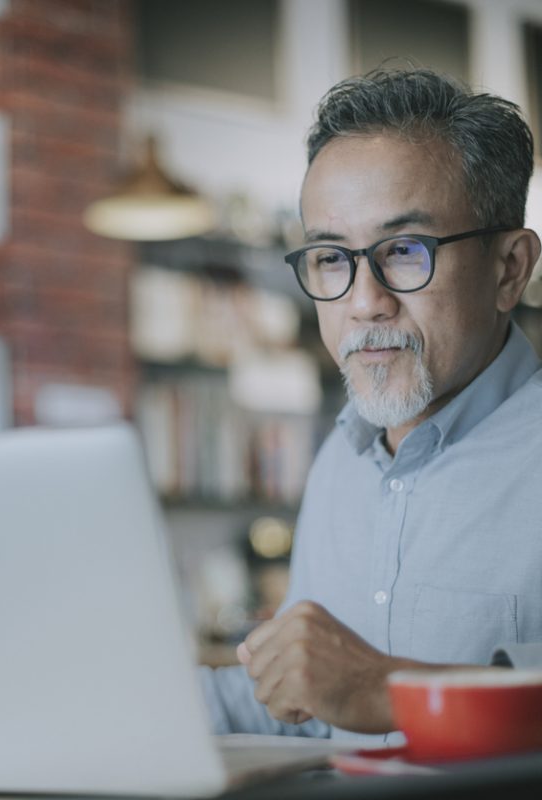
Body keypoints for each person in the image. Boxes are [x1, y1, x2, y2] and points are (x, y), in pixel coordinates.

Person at [201, 67, 542, 743]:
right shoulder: (340, 460)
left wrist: (389, 690)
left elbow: (360, 689)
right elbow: (302, 706)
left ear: (509, 269)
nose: (363, 303)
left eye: (406, 250)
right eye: (331, 257)